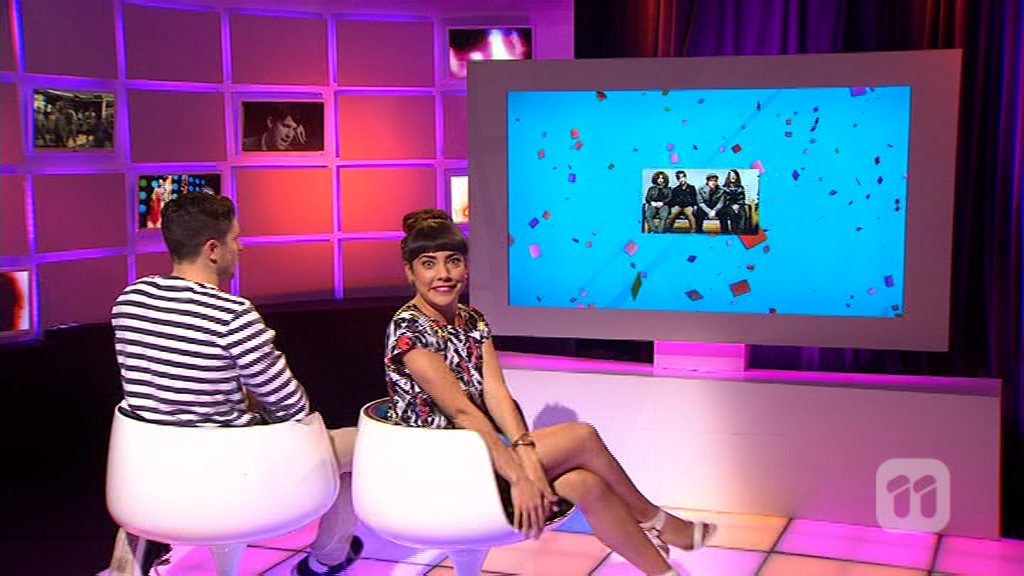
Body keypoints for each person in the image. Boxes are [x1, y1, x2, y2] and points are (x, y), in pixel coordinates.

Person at [383, 209, 716, 576]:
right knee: (582, 437)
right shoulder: (409, 328)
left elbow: (497, 393)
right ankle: (656, 520)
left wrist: (524, 454)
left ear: (466, 267)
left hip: (478, 453)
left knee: (587, 484)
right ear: (410, 272)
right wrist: (519, 475)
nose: (444, 274)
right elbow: (463, 413)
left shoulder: (472, 320)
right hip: (437, 467)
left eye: (454, 261)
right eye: (428, 264)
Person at [107, 194, 360, 576]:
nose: (240, 248)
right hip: (230, 481)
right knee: (360, 445)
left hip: (147, 483)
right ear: (213, 249)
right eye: (235, 239)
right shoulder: (233, 315)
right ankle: (327, 560)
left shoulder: (130, 301)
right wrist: (248, 401)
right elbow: (292, 407)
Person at [242, 103, 308, 151]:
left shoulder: (292, 153)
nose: (289, 135)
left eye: (294, 129)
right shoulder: (243, 146)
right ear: (270, 122)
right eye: (286, 126)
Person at [720, 169, 747, 235]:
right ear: (728, 177)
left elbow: (742, 199)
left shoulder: (741, 187)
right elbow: (724, 200)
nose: (733, 177)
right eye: (731, 175)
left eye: (735, 175)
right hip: (727, 206)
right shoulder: (723, 187)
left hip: (738, 205)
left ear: (737, 177)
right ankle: (729, 231)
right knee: (731, 213)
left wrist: (738, 205)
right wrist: (732, 206)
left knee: (742, 213)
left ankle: (739, 232)